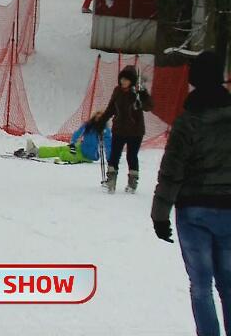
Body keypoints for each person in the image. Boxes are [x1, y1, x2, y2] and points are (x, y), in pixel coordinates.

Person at [150, 51, 231, 336]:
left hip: (194, 212)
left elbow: (171, 171)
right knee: (229, 283)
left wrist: (159, 215)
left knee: (201, 285)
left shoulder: (189, 121)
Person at [97, 64, 153, 193]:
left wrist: (143, 94)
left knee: (131, 156)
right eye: (122, 79)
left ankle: (132, 182)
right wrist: (101, 121)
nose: (123, 81)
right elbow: (111, 108)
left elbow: (149, 107)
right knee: (114, 154)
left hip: (135, 131)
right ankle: (111, 180)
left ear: (132, 81)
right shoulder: (117, 91)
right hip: (119, 129)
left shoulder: (137, 92)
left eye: (126, 79)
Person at [16, 111, 113, 163]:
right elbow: (77, 133)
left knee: (64, 154)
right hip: (81, 146)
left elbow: (108, 144)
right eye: (96, 117)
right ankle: (36, 151)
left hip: (89, 155)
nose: (98, 120)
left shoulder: (104, 130)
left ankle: (67, 157)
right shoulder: (88, 125)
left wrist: (110, 159)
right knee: (60, 149)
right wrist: (73, 143)